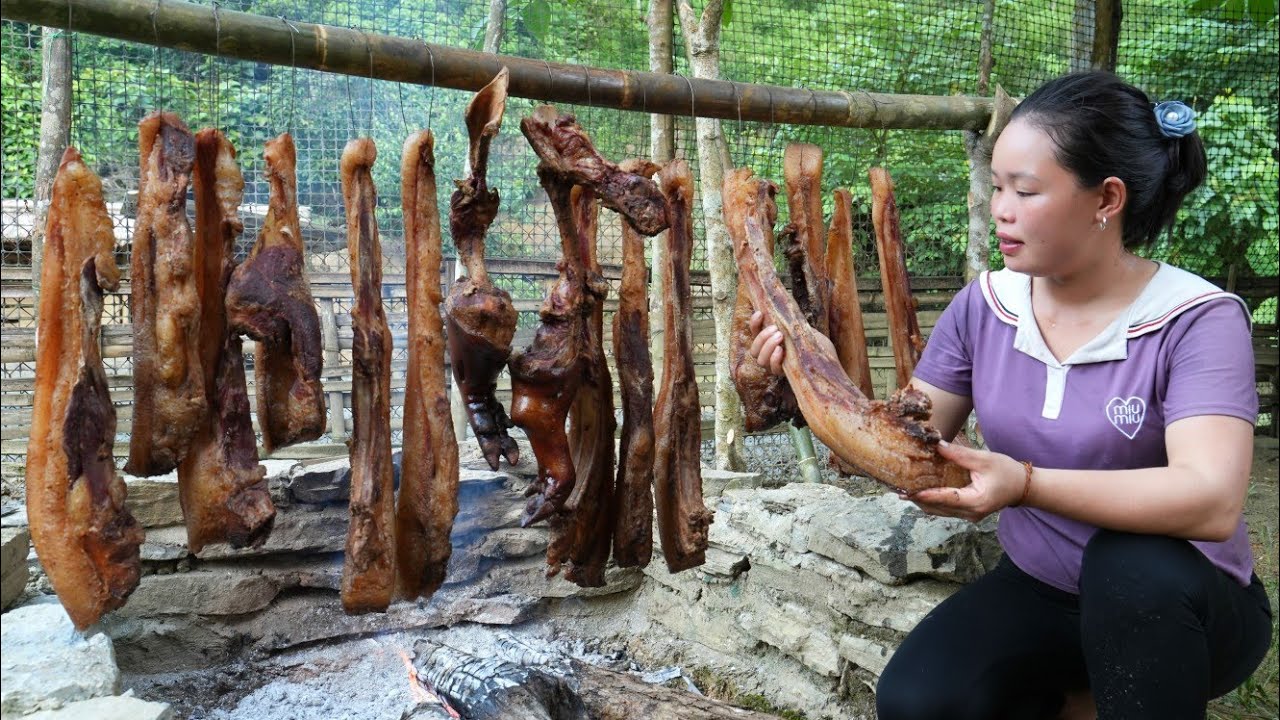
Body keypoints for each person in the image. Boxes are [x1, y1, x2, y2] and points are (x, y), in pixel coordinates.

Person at [748, 71, 1271, 720]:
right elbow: (902, 443)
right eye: (998, 187)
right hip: (1043, 591)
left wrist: (1024, 484)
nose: (1001, 208)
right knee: (918, 701)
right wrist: (812, 377)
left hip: (1184, 605)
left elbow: (1210, 500)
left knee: (1127, 562)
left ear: (1106, 198)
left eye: (1025, 191)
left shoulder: (1195, 318)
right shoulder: (986, 307)